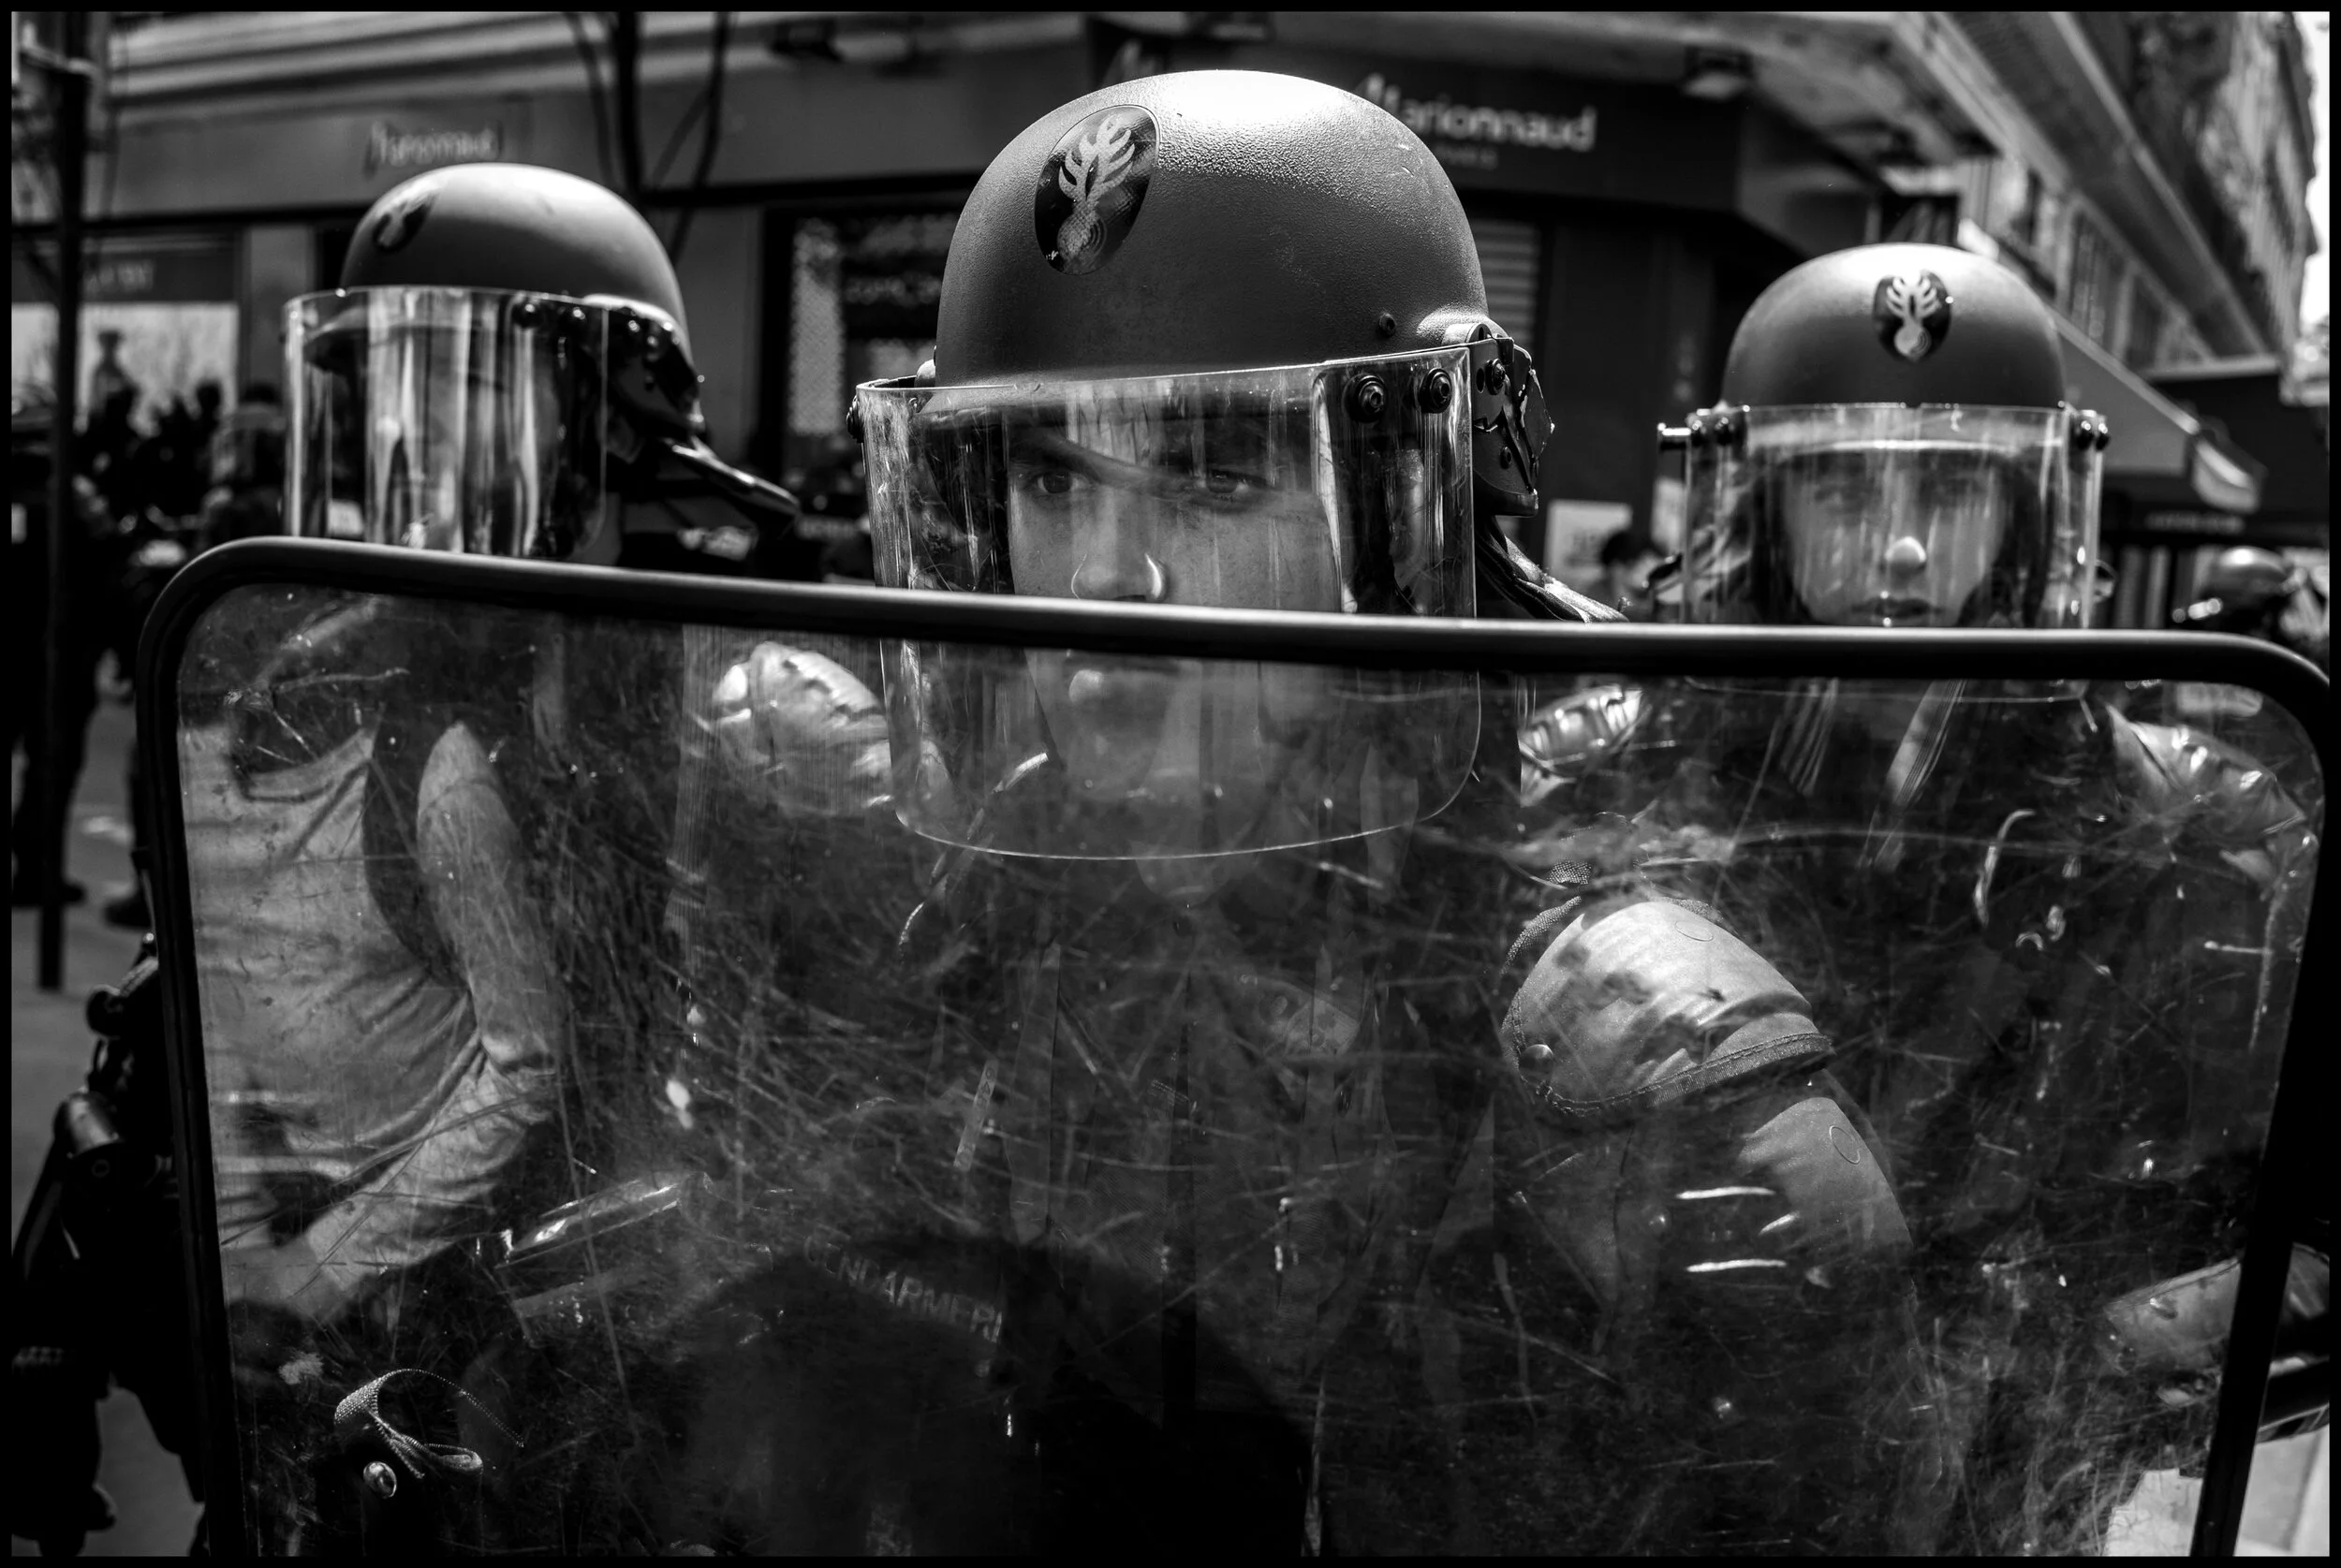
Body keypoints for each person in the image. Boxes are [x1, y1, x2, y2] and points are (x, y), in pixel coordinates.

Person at [631, 71, 1910, 1556]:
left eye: (1214, 477)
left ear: (1392, 520)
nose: (1111, 579)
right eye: (1055, 478)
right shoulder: (981, 901)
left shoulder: (1631, 1070)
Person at [1590, 241, 2322, 1551]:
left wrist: (2088, 1359)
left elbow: (2279, 1227)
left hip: (2002, 1492)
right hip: (1650, 1462)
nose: (1905, 542)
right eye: (1843, 489)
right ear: (1760, 513)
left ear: (2030, 515)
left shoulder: (2188, 828)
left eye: (1953, 485)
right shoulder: (1608, 776)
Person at [1596, 525, 1665, 620]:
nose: (1659, 578)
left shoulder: (1655, 608)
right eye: (1646, 566)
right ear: (1618, 567)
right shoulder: (1588, 604)